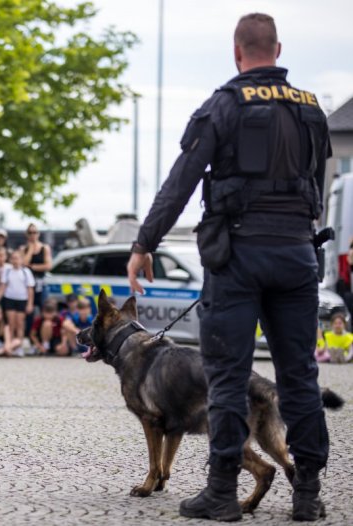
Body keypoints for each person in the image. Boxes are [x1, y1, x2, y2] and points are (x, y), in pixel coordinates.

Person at [126, 14, 332, 521]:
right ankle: (307, 496)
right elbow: (317, 186)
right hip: (297, 256)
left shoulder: (223, 105)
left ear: (237, 52)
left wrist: (144, 242)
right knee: (300, 376)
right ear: (277, 49)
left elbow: (181, 182)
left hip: (237, 258)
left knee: (227, 376)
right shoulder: (312, 111)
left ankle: (221, 493)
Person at [0, 249, 34, 352]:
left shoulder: (26, 272)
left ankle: (19, 346)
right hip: (9, 299)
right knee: (11, 324)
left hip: (22, 300)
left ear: (22, 260)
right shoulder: (7, 270)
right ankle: (10, 344)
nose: (15, 261)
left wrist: (30, 303)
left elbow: (30, 289)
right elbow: (2, 287)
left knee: (20, 324)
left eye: (17, 258)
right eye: (13, 258)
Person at [21, 223, 52, 317]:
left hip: (41, 283)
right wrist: (30, 249)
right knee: (28, 311)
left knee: (44, 310)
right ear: (26, 234)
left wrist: (32, 266)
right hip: (27, 285)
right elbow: (23, 264)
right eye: (30, 232)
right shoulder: (23, 248)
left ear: (38, 234)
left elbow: (49, 266)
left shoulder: (44, 248)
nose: (32, 235)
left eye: (35, 232)